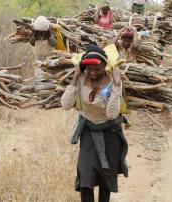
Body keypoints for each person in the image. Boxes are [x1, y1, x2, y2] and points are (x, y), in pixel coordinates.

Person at [61, 43, 128, 202]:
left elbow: (112, 114)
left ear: (105, 66)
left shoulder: (112, 82)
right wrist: (75, 76)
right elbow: (65, 104)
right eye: (89, 68)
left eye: (97, 68)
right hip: (89, 132)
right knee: (86, 177)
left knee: (105, 180)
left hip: (110, 134)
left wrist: (118, 86)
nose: (92, 72)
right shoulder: (82, 78)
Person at [30, 16, 66, 82]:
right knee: (39, 77)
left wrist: (50, 34)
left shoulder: (50, 33)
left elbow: (54, 44)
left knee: (49, 75)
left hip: (49, 58)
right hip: (38, 58)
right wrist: (34, 34)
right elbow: (32, 43)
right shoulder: (35, 33)